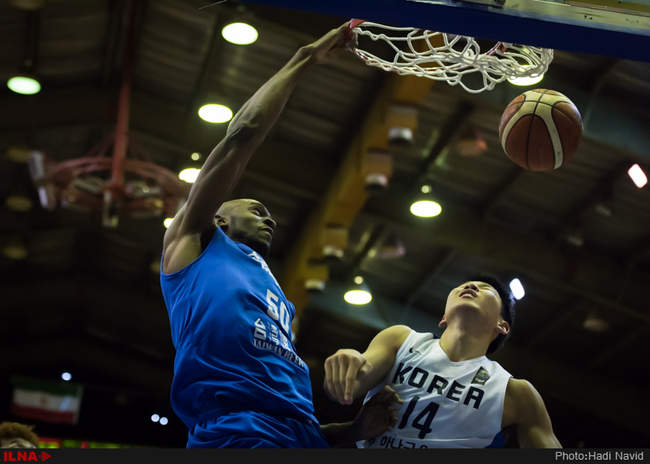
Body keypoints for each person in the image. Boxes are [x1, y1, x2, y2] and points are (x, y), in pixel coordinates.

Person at [160, 22, 400, 448]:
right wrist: (304, 57)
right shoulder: (193, 242)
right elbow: (242, 136)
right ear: (218, 218)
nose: (269, 219)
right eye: (256, 210)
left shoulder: (277, 297)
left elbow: (291, 420)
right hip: (234, 433)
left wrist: (353, 431)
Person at [323, 275, 563, 448]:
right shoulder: (401, 339)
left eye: (485, 288)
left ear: (502, 325)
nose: (470, 286)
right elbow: (346, 387)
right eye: (463, 285)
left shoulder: (515, 394)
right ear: (444, 318)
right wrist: (347, 364)